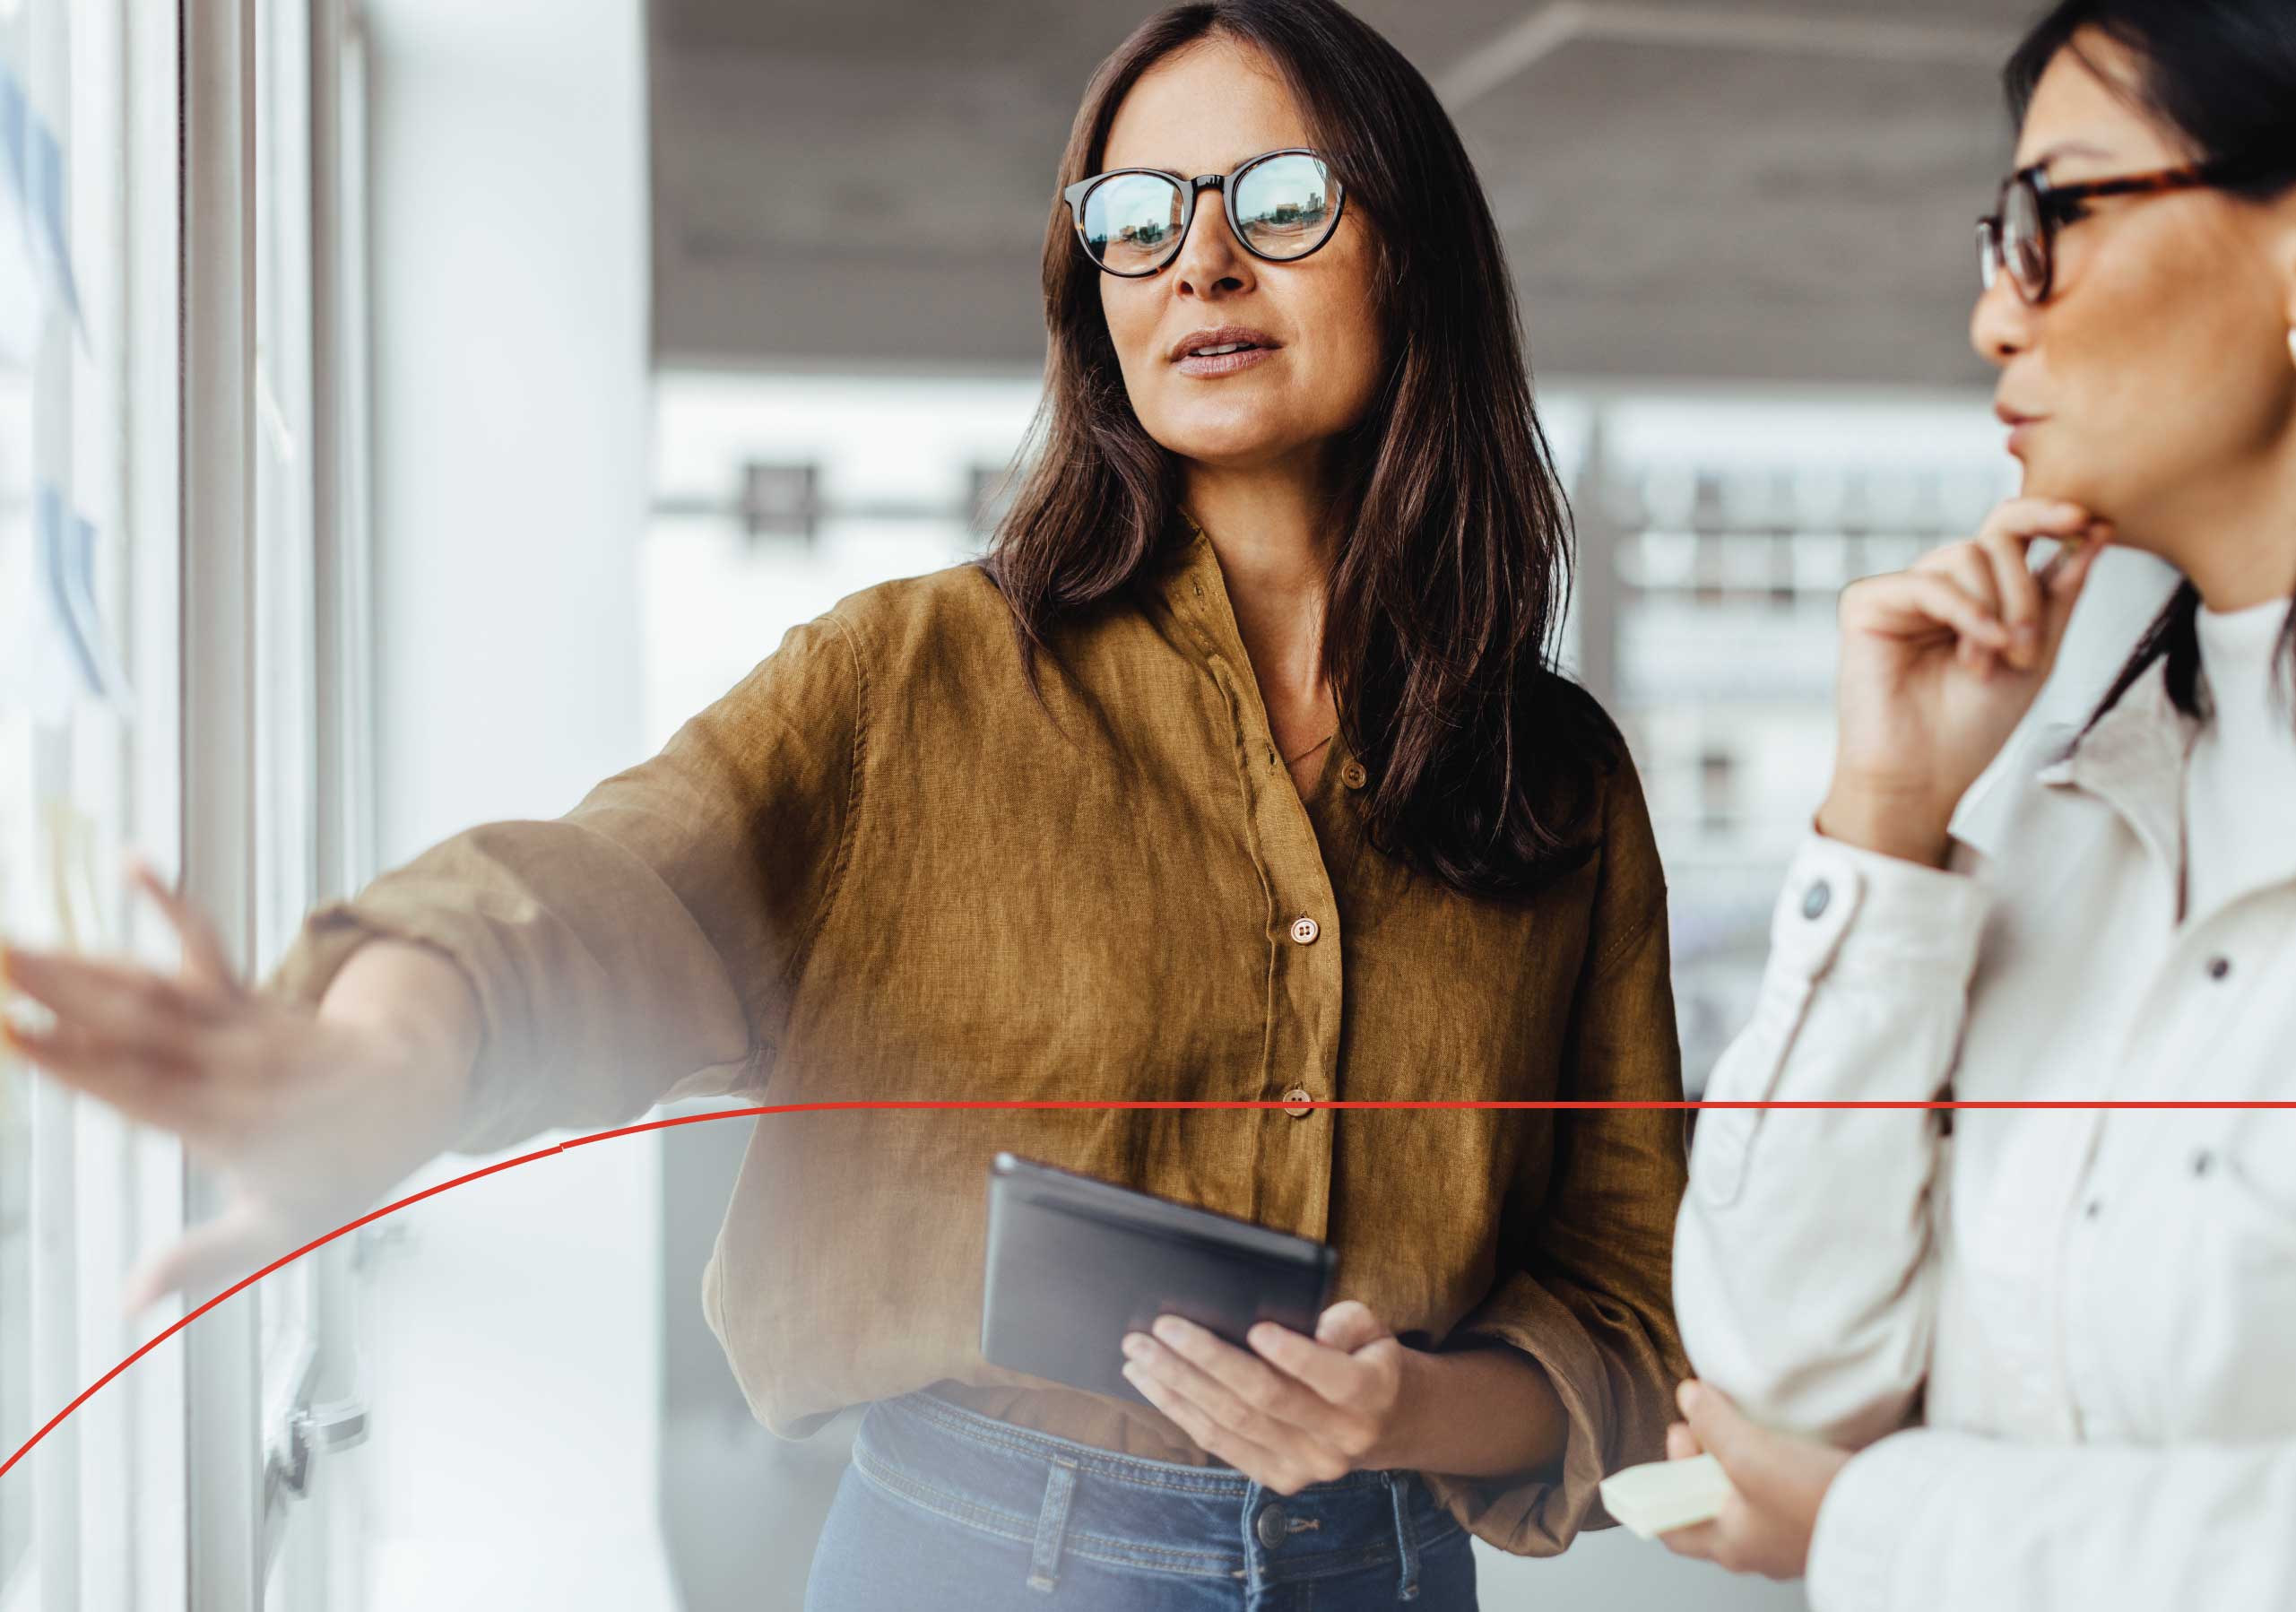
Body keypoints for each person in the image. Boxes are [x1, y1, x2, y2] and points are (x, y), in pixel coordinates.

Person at [0, 1, 1690, 1605]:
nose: (1200, 257)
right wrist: (380, 1053)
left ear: (1414, 244)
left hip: (1385, 1568)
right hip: (980, 1559)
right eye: (1136, 212)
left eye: (1282, 198)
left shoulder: (1557, 778)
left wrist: (1407, 1416)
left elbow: (1624, 1297)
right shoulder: (918, 674)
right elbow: (616, 889)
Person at [1654, 2, 2296, 1607]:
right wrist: (1884, 820)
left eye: (2051, 220)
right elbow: (1772, 1394)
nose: (1990, 321)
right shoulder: (2060, 793)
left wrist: (1878, 1531)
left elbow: (1822, 1494)